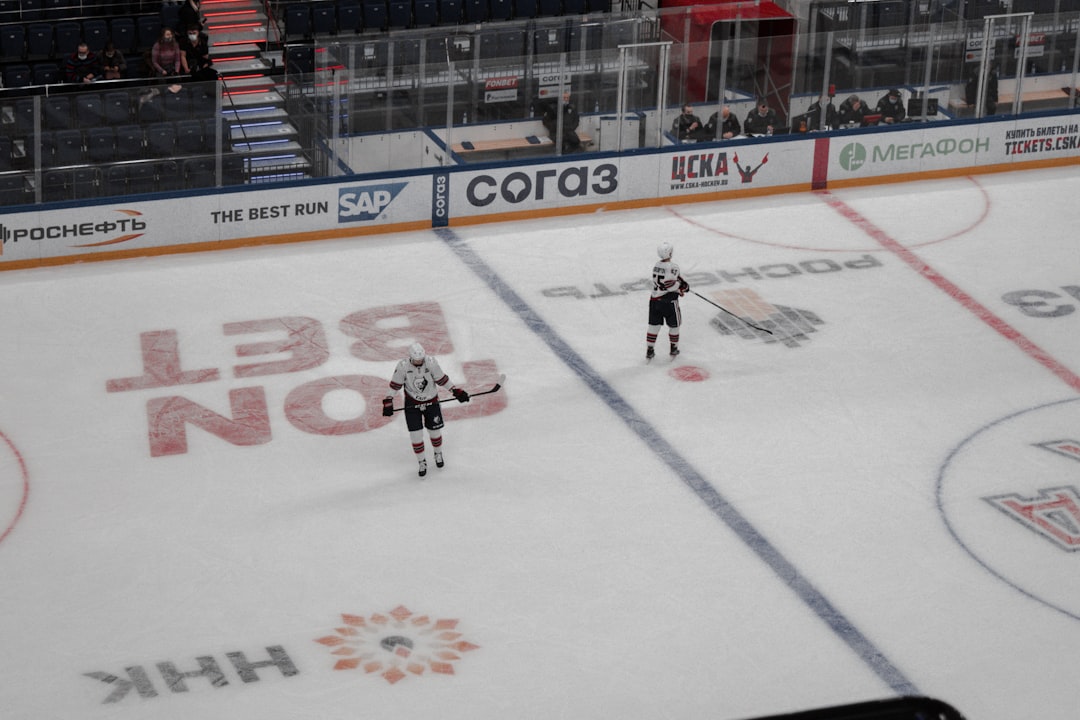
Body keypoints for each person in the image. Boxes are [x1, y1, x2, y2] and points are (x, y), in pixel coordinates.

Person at [381, 342, 470, 477]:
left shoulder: (431, 363)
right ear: (410, 357)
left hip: (431, 402)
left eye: (421, 359)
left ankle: (438, 453)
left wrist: (455, 391)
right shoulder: (403, 366)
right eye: (416, 360)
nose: (419, 362)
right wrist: (388, 400)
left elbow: (442, 380)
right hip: (412, 405)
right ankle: (422, 461)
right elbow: (395, 385)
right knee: (415, 436)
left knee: (435, 432)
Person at [646, 241, 689, 361]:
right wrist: (683, 287)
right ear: (669, 252)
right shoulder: (673, 266)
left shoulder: (656, 265)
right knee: (675, 325)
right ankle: (673, 348)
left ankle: (650, 350)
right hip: (668, 301)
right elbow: (671, 284)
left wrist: (680, 285)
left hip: (654, 300)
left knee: (653, 326)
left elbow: (664, 282)